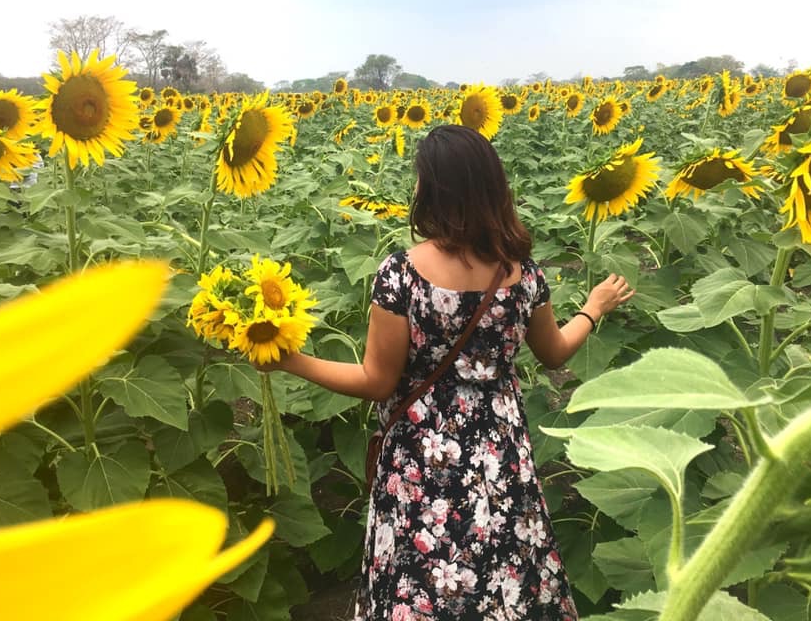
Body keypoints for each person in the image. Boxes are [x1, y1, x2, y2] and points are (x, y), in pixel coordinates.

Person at [260, 124, 634, 620]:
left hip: (422, 458)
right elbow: (555, 353)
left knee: (421, 582)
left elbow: (376, 381)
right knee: (505, 574)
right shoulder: (523, 273)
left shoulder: (401, 275)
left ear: (434, 188)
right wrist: (592, 307)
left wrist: (291, 360)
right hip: (500, 457)